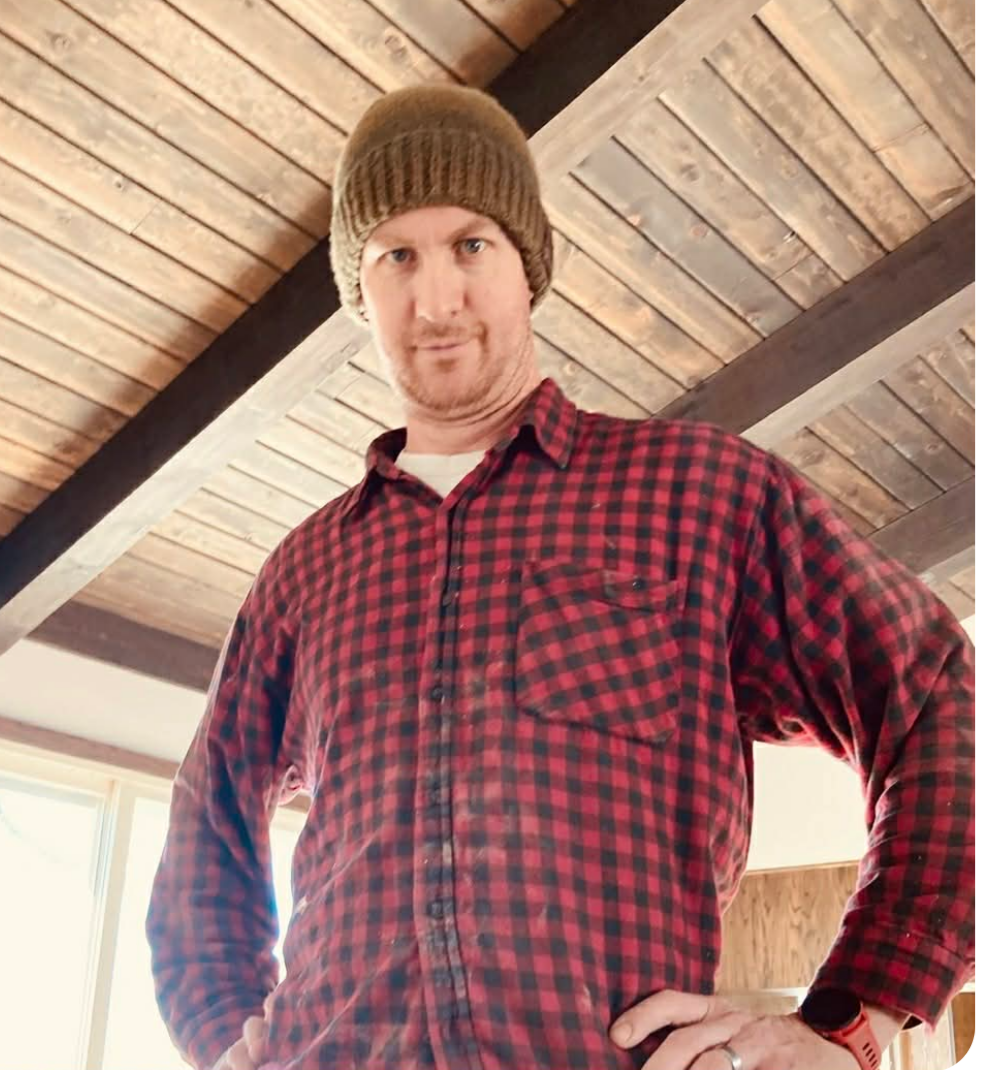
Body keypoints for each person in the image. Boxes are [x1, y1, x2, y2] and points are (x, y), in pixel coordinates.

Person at [147, 85, 975, 1070]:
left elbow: (932, 690)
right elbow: (210, 814)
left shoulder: (702, 497)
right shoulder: (305, 568)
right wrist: (223, 1036)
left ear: (528, 264)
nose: (436, 297)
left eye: (470, 245)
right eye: (394, 256)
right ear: (356, 287)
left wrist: (853, 1015)